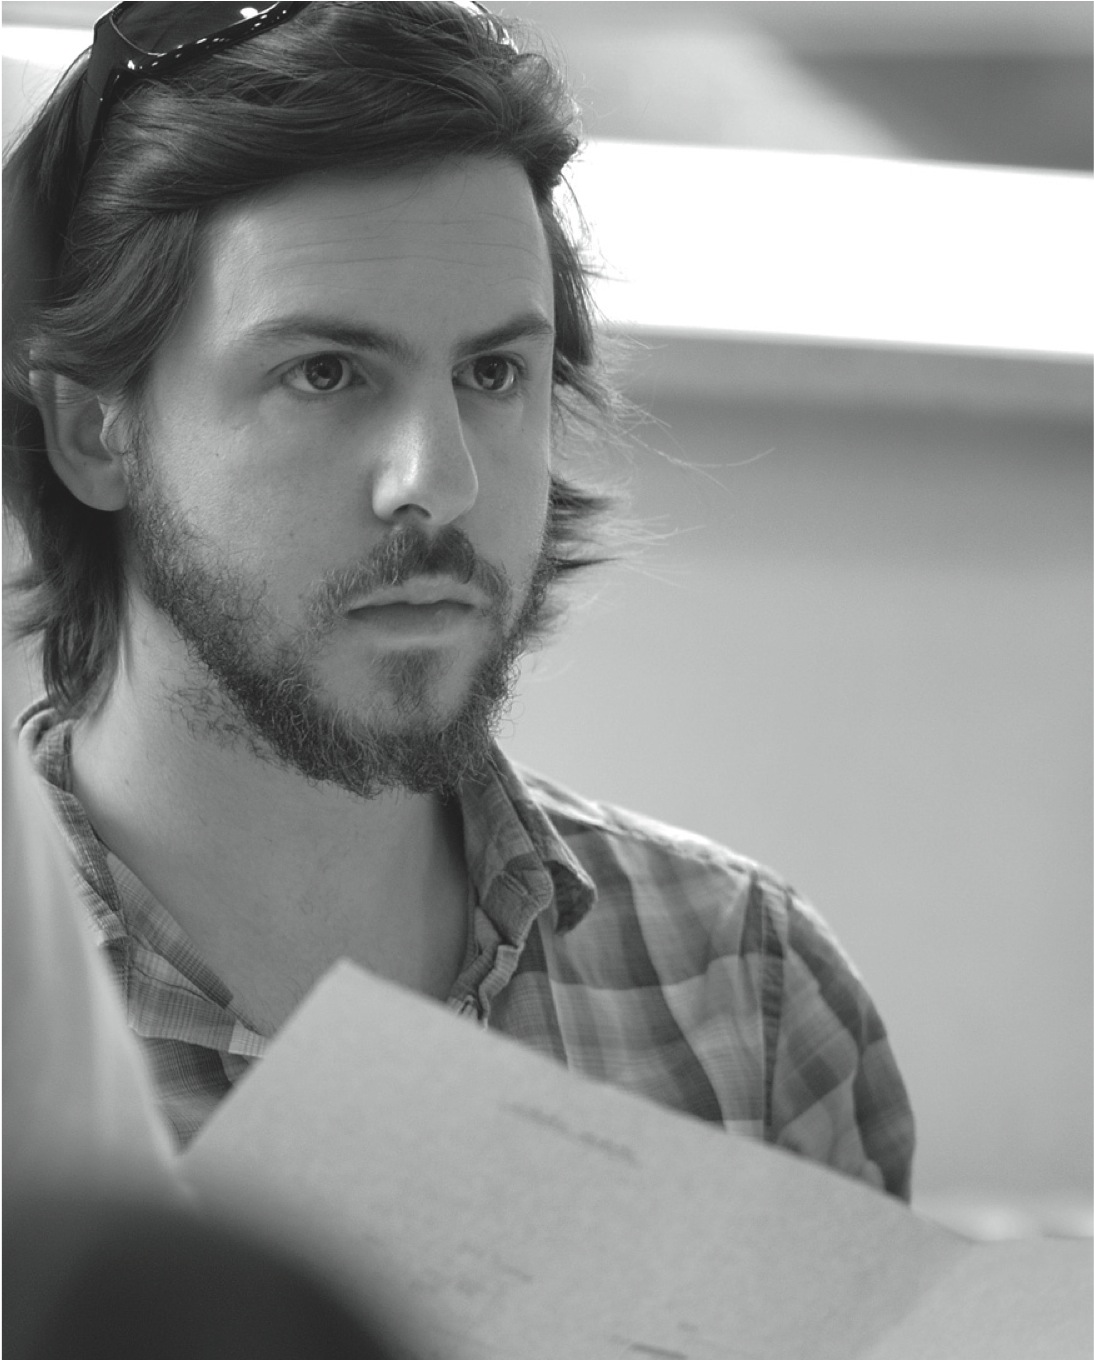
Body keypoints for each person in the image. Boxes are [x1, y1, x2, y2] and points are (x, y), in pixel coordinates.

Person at [4, 1, 914, 1197]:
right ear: (93, 432)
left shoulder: (748, 994)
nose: (439, 480)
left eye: (491, 372)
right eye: (324, 372)